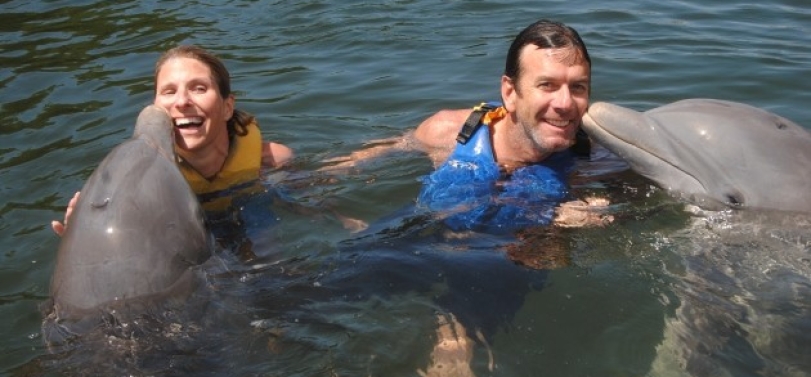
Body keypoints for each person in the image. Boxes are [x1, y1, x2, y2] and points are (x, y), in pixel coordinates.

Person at [52, 45, 294, 236]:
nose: (182, 102)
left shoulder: (272, 160)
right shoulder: (135, 189)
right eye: (169, 92)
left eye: (198, 88)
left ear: (227, 107)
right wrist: (86, 238)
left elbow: (310, 201)